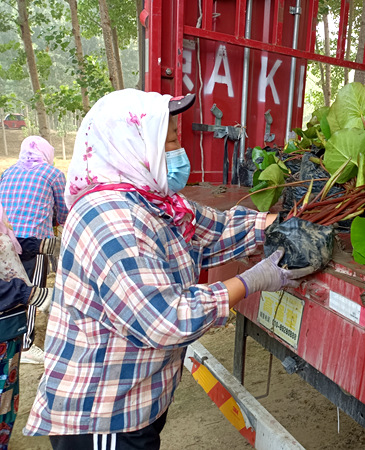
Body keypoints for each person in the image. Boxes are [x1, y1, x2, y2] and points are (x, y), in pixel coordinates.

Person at [23, 89, 314, 449]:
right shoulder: (113, 218)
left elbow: (216, 231)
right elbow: (167, 320)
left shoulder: (154, 202)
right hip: (104, 412)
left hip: (137, 400)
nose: (179, 153)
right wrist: (250, 281)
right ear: (131, 145)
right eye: (169, 141)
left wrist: (277, 224)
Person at [0, 135, 68, 363]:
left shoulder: (8, 172)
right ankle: (27, 345)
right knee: (33, 289)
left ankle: (17, 335)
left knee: (13, 282)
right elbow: (64, 211)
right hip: (35, 241)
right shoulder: (53, 174)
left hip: (7, 240)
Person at [0, 203, 53, 450]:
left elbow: (7, 245)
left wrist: (38, 245)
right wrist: (31, 294)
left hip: (9, 327)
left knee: (7, 394)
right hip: (3, 325)